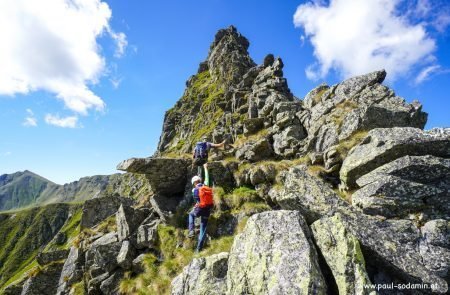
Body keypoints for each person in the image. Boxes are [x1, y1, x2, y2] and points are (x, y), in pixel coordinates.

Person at [188, 163, 214, 252]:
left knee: (191, 215)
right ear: (200, 180)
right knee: (203, 229)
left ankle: (191, 230)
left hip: (199, 209)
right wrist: (205, 168)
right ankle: (198, 249)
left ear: (194, 183)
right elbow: (207, 178)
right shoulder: (205, 186)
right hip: (207, 210)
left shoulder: (193, 190)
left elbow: (197, 199)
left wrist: (197, 204)